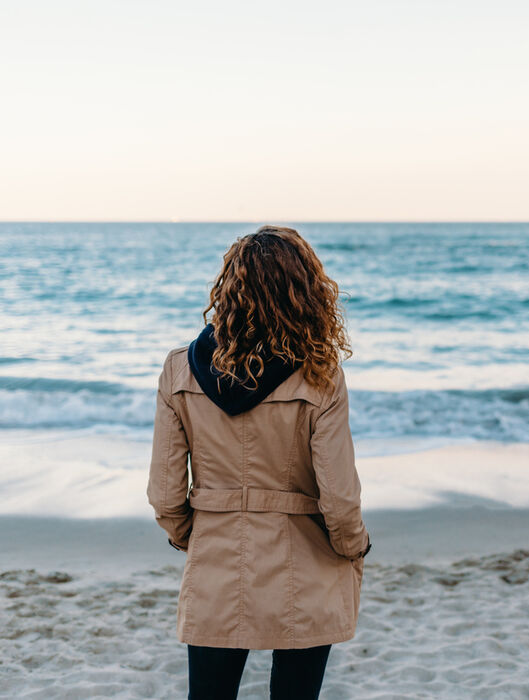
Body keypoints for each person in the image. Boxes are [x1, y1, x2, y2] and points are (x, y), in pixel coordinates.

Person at [147, 226, 372, 700]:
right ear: (306, 293)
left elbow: (165, 493)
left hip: (217, 559)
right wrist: (354, 546)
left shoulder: (179, 369)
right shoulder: (321, 376)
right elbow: (339, 497)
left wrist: (199, 534)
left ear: (227, 289)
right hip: (306, 564)